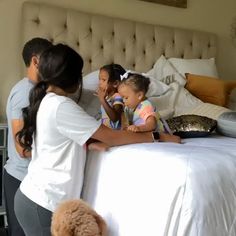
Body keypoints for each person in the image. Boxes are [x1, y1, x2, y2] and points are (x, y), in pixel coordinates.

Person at [14, 43, 181, 236]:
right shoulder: (62, 106)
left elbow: (59, 139)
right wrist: (157, 136)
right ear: (74, 78)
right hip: (42, 204)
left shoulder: (48, 101)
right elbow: (112, 136)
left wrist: (89, 142)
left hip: (36, 199)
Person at [4, 37, 52, 236]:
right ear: (35, 61)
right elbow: (22, 149)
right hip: (20, 179)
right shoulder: (25, 93)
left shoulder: (39, 90)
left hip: (30, 179)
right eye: (49, 59)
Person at [97, 63, 126, 130]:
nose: (100, 83)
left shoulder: (118, 97)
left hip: (118, 134)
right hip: (108, 132)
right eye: (99, 79)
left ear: (115, 83)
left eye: (103, 80)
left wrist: (102, 100)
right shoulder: (106, 98)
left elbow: (115, 118)